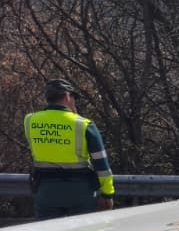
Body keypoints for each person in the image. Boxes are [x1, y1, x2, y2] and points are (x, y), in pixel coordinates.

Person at [24, 78, 116, 220]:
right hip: (80, 192)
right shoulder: (84, 124)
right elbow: (101, 163)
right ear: (67, 96)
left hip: (46, 191)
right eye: (73, 97)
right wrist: (107, 193)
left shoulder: (30, 120)